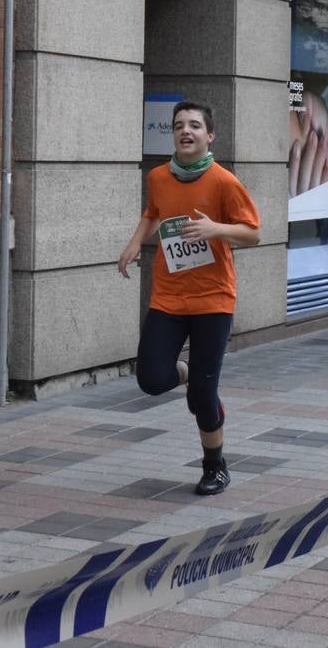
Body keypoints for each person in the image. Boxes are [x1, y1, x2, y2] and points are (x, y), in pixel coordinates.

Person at [117, 100, 261, 496]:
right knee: (151, 378)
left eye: (195, 125)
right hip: (168, 296)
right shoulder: (159, 177)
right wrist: (133, 244)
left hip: (213, 299)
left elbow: (253, 233)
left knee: (202, 395)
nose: (186, 131)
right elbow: (153, 213)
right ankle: (185, 372)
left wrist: (216, 228)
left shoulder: (224, 182)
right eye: (179, 125)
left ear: (209, 135)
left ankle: (214, 467)